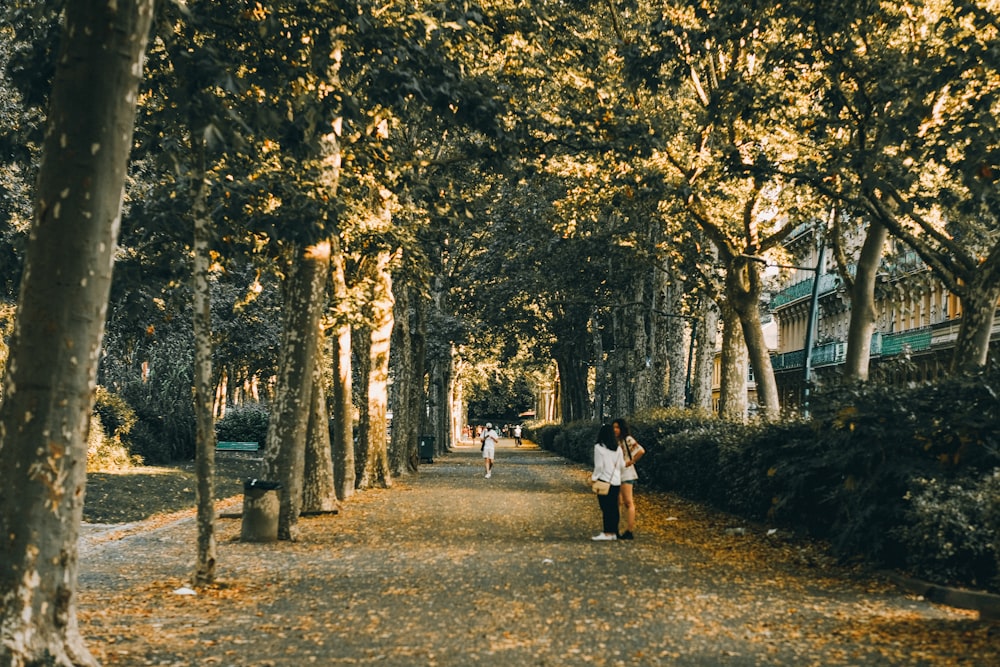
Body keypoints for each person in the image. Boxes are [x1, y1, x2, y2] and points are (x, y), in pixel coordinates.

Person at [591, 423, 625, 541]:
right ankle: (614, 532)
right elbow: (622, 465)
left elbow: (599, 466)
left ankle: (607, 533)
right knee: (614, 508)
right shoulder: (618, 448)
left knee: (605, 508)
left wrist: (594, 478)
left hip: (604, 480)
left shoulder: (599, 448)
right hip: (616, 480)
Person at [613, 418, 645, 540]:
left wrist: (630, 462)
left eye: (618, 427)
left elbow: (641, 451)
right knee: (617, 502)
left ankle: (629, 530)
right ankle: (616, 529)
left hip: (626, 474)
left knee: (628, 501)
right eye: (614, 427)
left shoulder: (628, 440)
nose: (615, 430)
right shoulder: (614, 441)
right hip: (616, 474)